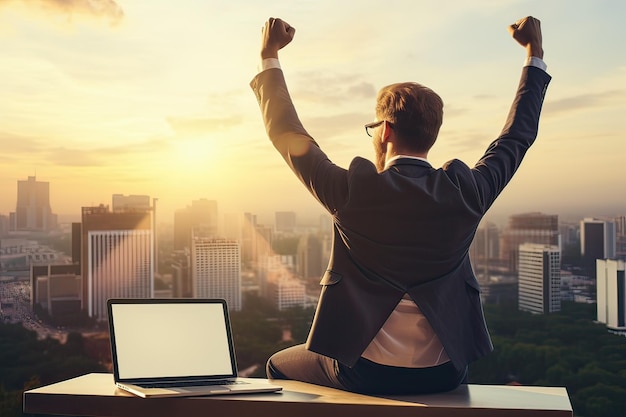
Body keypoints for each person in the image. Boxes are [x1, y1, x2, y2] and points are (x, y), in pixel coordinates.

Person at [250, 16, 550, 395]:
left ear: (386, 130)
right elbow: (516, 137)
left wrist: (269, 54)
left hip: (363, 372)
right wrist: (534, 54)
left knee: (277, 364)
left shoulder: (353, 191)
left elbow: (286, 133)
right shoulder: (467, 192)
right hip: (444, 373)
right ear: (432, 133)